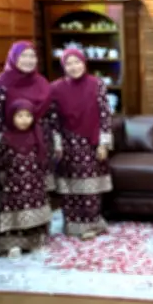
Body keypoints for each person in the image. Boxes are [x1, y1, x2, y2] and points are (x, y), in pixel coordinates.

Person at [50, 48, 114, 240]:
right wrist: (57, 145)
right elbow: (53, 119)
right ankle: (72, 224)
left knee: (90, 188)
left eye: (77, 62)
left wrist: (103, 144)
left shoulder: (96, 84)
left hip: (91, 142)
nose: (74, 67)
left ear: (84, 63)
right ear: (63, 67)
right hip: (67, 143)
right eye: (69, 63)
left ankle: (91, 224)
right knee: (69, 187)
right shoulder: (56, 88)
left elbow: (105, 114)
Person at [0, 41, 55, 193]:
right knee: (17, 190)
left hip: (40, 143)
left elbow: (51, 114)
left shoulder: (42, 82)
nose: (28, 60)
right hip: (13, 146)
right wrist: (2, 143)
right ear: (13, 57)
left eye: (32, 56)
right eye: (23, 56)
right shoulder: (1, 82)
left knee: (40, 190)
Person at [0, 98, 52, 255]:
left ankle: (34, 241)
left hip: (35, 183)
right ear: (11, 117)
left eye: (28, 116)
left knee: (35, 211)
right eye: (19, 116)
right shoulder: (5, 138)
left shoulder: (37, 135)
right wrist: (4, 180)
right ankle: (13, 244)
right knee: (15, 211)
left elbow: (44, 159)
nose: (24, 120)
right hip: (14, 184)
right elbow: (1, 162)